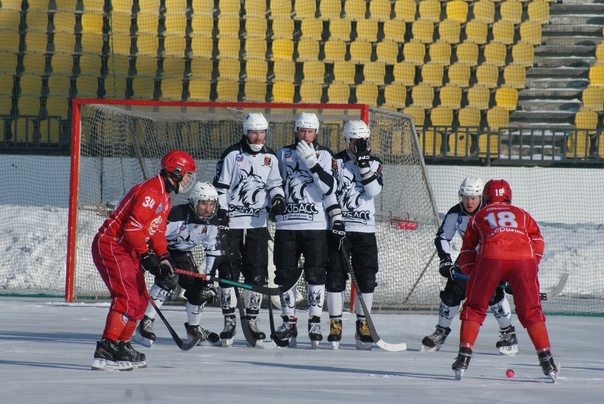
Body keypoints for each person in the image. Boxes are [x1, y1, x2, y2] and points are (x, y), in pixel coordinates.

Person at [90, 150, 196, 371]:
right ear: (175, 172)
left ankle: (121, 344)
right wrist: (146, 255)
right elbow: (132, 227)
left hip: (127, 249)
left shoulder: (165, 198)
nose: (188, 180)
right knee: (126, 296)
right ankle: (106, 346)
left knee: (139, 299)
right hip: (112, 245)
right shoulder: (151, 190)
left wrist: (163, 257)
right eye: (187, 174)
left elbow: (156, 232)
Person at [452, 179, 558, 381]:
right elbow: (537, 242)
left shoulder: (479, 215)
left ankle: (463, 357)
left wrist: (478, 274)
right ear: (508, 196)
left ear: (484, 197)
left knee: (474, 308)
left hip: (491, 258)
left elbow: (466, 252)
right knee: (531, 311)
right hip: (524, 261)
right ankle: (547, 361)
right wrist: (525, 269)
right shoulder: (523, 214)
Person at [421, 177, 518, 355]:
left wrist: (509, 271)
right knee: (451, 292)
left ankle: (508, 334)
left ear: (481, 197)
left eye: (473, 198)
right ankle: (441, 331)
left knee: (493, 294)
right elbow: (442, 237)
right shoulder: (455, 214)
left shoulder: (491, 212)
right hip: (468, 258)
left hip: (491, 258)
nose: (469, 202)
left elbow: (508, 240)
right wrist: (446, 260)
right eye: (465, 197)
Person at [273, 112, 344, 349]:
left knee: (316, 274)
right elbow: (274, 183)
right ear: (296, 131)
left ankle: (314, 321)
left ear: (316, 132)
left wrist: (312, 163)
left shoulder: (324, 155)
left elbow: (329, 187)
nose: (306, 135)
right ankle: (288, 321)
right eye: (302, 131)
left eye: (310, 131)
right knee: (285, 275)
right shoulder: (282, 154)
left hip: (314, 226)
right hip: (286, 225)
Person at [213, 112, 285, 347]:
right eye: (254, 132)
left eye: (262, 132)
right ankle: (229, 321)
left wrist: (277, 199)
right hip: (233, 225)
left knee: (257, 274)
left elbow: (275, 184)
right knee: (228, 274)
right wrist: (222, 212)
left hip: (257, 225)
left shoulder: (270, 157)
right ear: (246, 132)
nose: (258, 137)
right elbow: (221, 187)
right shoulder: (232, 155)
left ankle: (252, 320)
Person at [132, 181, 222, 348]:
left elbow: (213, 251)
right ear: (194, 202)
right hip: (160, 249)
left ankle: (194, 329)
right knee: (169, 278)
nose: (208, 208)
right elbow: (151, 235)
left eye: (211, 204)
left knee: (200, 288)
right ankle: (146, 322)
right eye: (203, 203)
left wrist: (209, 277)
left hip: (181, 253)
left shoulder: (212, 223)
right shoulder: (176, 216)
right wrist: (147, 257)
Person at [325, 120, 383, 350]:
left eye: (363, 141)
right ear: (347, 140)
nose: (359, 145)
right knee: (335, 277)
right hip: (341, 229)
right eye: (355, 141)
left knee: (367, 279)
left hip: (365, 230)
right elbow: (328, 192)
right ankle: (335, 324)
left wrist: (364, 165)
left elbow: (374, 191)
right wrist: (336, 218)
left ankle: (363, 325)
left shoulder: (375, 162)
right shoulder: (335, 161)